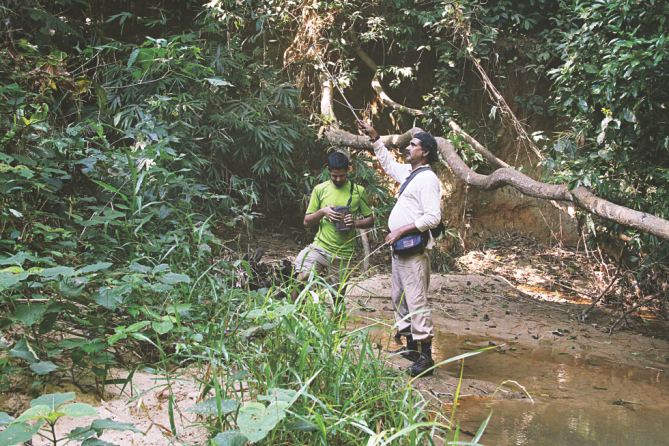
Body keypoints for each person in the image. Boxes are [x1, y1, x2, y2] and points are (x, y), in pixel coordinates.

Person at [358, 121, 442, 378]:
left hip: (414, 250)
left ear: (424, 151)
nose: (408, 148)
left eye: (413, 145)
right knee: (400, 297)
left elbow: (433, 218)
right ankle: (411, 348)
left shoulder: (427, 179)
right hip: (401, 250)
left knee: (416, 300)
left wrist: (400, 231)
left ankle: (426, 358)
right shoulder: (410, 173)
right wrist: (375, 137)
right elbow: (388, 164)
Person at [291, 151, 374, 303]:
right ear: (328, 170)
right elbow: (307, 222)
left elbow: (370, 221)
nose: (338, 179)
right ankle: (293, 316)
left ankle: (334, 325)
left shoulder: (358, 191)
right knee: (301, 279)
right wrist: (323, 212)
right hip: (320, 247)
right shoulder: (320, 189)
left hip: (344, 253)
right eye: (334, 175)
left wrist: (354, 222)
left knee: (337, 297)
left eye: (342, 175)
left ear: (348, 170)